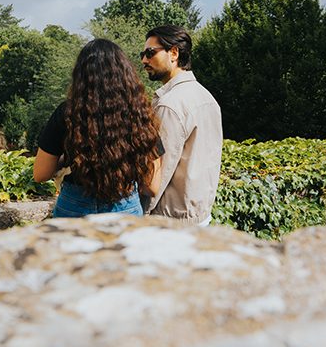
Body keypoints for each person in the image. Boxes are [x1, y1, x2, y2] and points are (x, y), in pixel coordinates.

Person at [34, 38, 164, 217]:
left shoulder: (67, 112)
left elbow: (40, 174)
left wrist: (70, 155)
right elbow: (152, 187)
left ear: (81, 75)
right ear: (125, 73)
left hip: (74, 206)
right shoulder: (140, 113)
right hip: (125, 206)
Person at [140, 25, 222, 225]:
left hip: (171, 221)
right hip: (201, 215)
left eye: (150, 53)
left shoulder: (170, 105)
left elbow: (158, 174)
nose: (144, 60)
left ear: (174, 53)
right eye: (142, 54)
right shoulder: (206, 97)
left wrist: (141, 216)